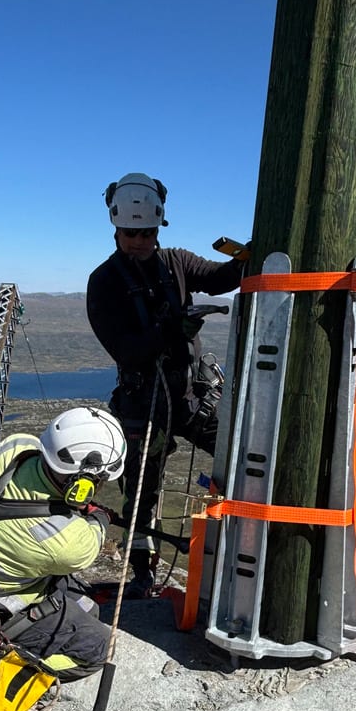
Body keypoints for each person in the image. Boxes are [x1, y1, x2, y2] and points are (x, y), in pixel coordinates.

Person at [86, 172, 245, 597]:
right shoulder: (104, 282)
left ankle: (245, 553)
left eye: (148, 232)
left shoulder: (175, 261)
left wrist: (250, 255)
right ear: (116, 228)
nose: (140, 240)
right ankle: (141, 572)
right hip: (143, 402)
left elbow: (218, 279)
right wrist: (172, 330)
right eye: (131, 232)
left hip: (190, 395)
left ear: (159, 227)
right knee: (140, 491)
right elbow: (126, 349)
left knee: (243, 459)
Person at [0, 407, 126, 682]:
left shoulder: (14, 448)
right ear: (83, 483)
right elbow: (91, 538)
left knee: (86, 604)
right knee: (101, 646)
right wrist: (100, 515)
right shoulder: (66, 542)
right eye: (100, 481)